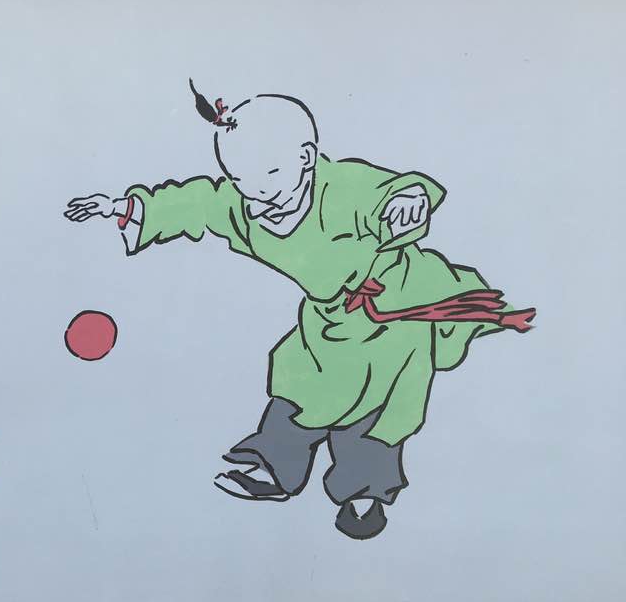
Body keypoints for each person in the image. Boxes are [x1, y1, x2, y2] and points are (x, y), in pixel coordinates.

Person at [64, 88, 534, 539]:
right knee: (299, 381)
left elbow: (392, 191)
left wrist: (408, 200)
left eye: (268, 176)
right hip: (329, 324)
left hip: (393, 319)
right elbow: (197, 202)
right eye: (241, 181)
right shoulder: (244, 206)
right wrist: (121, 207)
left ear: (306, 158)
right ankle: (276, 467)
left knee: (378, 409)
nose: (256, 195)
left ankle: (363, 491)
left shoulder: (343, 189)